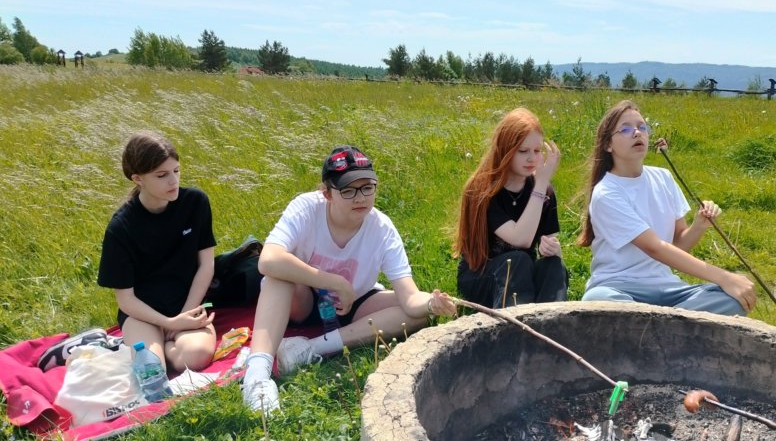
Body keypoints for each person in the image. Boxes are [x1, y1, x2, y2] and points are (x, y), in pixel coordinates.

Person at [241, 145, 457, 414]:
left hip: (354, 305)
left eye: (368, 188)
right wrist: (334, 282)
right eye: (348, 190)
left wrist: (431, 303)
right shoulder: (306, 208)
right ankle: (257, 375)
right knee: (277, 277)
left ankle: (309, 350)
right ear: (327, 193)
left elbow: (410, 296)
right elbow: (268, 260)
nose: (360, 198)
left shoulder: (381, 229)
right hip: (302, 301)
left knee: (415, 316)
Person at [578, 100, 756, 315]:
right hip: (620, 288)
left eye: (642, 127)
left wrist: (699, 225)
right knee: (600, 301)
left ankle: (653, 323)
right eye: (625, 129)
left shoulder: (663, 177)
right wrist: (724, 277)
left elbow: (678, 245)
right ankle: (670, 322)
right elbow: (655, 247)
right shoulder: (606, 193)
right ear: (608, 144)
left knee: (732, 300)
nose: (637, 133)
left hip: (669, 289)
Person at [97, 131, 217, 372]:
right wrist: (168, 323)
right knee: (151, 369)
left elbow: (206, 265)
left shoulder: (195, 202)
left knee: (196, 357)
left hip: (188, 303)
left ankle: (163, 347)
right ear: (137, 178)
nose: (173, 181)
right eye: (162, 175)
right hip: (143, 313)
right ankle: (156, 347)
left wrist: (186, 314)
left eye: (176, 171)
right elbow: (126, 300)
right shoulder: (121, 227)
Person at [454, 107, 568, 308]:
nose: (532, 158)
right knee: (517, 260)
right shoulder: (483, 191)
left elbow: (548, 242)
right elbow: (521, 239)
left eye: (537, 151)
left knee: (553, 266)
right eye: (523, 151)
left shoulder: (544, 191)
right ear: (505, 151)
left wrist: (553, 250)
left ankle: (552, 321)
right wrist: (541, 185)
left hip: (523, 274)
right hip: (481, 275)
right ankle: (513, 324)